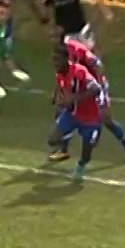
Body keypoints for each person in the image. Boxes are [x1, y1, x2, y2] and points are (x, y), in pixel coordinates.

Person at [49, 29, 125, 163]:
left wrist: (100, 87)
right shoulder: (59, 53)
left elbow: (97, 64)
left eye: (55, 37)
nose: (52, 39)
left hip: (94, 86)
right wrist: (58, 92)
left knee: (106, 119)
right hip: (78, 89)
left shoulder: (77, 48)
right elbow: (62, 74)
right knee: (62, 112)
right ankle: (64, 150)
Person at [48, 46, 104, 181]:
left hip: (90, 117)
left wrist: (74, 98)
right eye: (53, 60)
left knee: (86, 154)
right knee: (52, 140)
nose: (54, 63)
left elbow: (96, 88)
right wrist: (59, 102)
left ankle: (81, 166)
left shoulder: (79, 71)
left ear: (66, 59)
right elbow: (63, 89)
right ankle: (72, 132)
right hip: (72, 115)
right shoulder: (60, 74)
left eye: (57, 60)